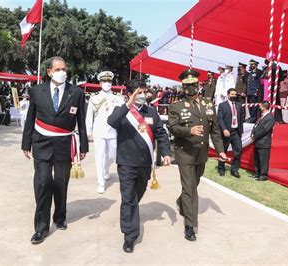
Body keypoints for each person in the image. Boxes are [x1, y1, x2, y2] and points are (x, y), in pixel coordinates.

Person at [21, 56, 88, 245]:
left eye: (64, 69)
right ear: (49, 72)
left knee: (60, 183)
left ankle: (59, 217)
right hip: (41, 143)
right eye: (58, 69)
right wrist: (26, 143)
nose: (62, 72)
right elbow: (30, 119)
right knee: (43, 183)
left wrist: (83, 146)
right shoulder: (36, 91)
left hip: (64, 145)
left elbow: (81, 122)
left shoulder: (76, 92)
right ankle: (41, 228)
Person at [107, 79, 171, 253]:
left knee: (137, 194)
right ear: (129, 94)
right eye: (138, 92)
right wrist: (128, 104)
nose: (142, 95)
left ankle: (129, 214)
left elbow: (161, 133)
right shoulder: (121, 111)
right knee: (128, 197)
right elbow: (111, 122)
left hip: (145, 163)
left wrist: (166, 152)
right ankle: (129, 235)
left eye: (143, 92)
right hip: (127, 162)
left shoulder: (152, 112)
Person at [168, 68, 227, 242]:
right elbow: (173, 128)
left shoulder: (208, 104)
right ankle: (190, 225)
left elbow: (215, 131)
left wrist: (221, 150)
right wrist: (189, 130)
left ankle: (181, 201)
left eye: (193, 85)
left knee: (194, 184)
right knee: (190, 189)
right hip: (185, 152)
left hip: (201, 153)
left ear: (198, 85)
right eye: (187, 86)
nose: (191, 88)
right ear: (183, 87)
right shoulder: (176, 106)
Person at [85, 71, 124, 194]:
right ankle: (101, 182)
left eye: (109, 81)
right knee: (100, 156)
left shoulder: (118, 97)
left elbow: (124, 114)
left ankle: (106, 169)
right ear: (100, 83)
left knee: (112, 155)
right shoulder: (94, 97)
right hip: (99, 130)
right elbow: (89, 115)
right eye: (104, 81)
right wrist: (88, 131)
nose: (107, 83)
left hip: (113, 131)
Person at [217, 88, 244, 178]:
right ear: (228, 95)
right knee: (223, 151)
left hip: (236, 132)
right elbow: (220, 118)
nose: (234, 96)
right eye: (232, 94)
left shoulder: (239, 105)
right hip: (226, 132)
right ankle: (221, 169)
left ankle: (234, 170)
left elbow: (241, 118)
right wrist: (224, 129)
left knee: (238, 151)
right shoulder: (222, 105)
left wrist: (241, 131)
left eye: (235, 95)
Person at [250, 101, 275, 181]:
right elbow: (255, 126)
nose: (259, 107)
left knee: (263, 160)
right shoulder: (261, 116)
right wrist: (252, 134)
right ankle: (257, 173)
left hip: (264, 142)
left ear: (264, 107)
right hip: (257, 141)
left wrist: (255, 136)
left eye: (260, 106)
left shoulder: (270, 117)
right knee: (257, 159)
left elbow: (265, 130)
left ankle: (263, 175)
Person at [261, 52, 283, 122]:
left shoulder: (275, 66)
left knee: (274, 102)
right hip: (266, 87)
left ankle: (276, 118)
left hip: (272, 87)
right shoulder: (267, 67)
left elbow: (280, 78)